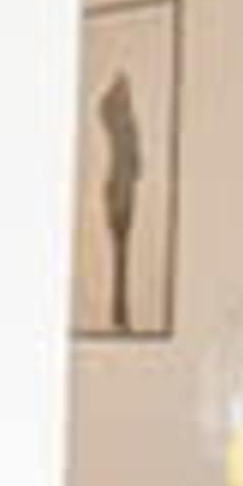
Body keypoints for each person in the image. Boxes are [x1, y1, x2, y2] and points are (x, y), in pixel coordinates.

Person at [95, 68, 144, 333]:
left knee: (122, 250)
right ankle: (118, 314)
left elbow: (137, 164)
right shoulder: (119, 122)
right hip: (119, 191)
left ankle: (120, 313)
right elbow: (135, 164)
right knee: (120, 249)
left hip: (123, 191)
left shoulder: (126, 123)